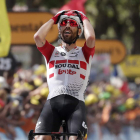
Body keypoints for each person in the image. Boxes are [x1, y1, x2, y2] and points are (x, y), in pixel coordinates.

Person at [34, 10, 95, 140]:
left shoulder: (84, 52)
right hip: (53, 102)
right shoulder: (52, 51)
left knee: (75, 138)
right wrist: (54, 18)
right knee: (40, 138)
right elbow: (38, 37)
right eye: (63, 23)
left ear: (79, 31)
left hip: (76, 104)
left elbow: (90, 38)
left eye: (72, 23)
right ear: (59, 29)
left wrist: (83, 17)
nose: (67, 25)